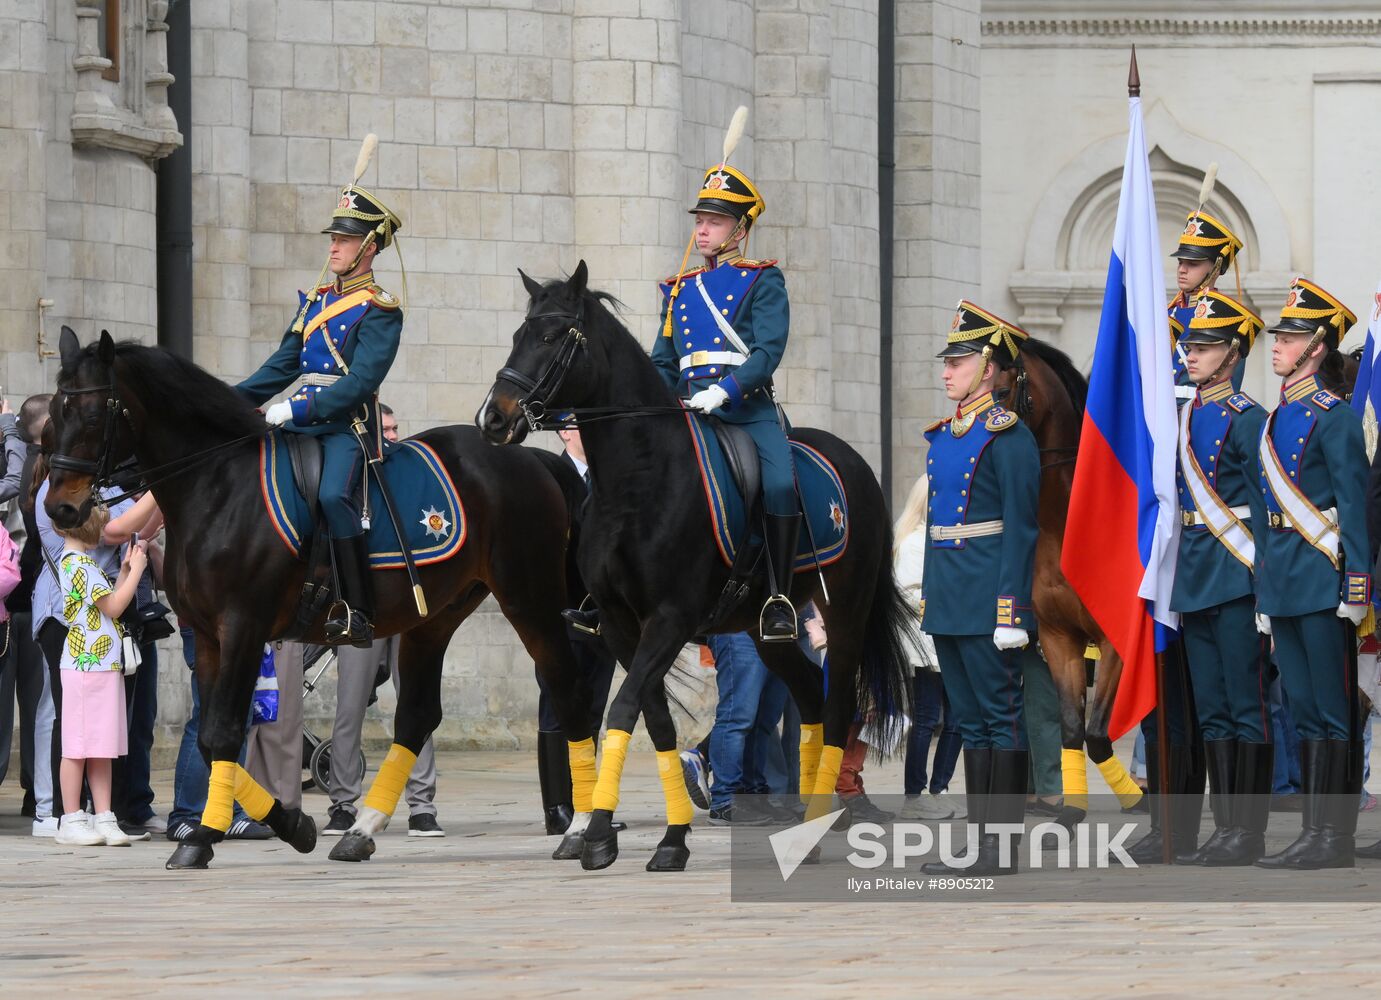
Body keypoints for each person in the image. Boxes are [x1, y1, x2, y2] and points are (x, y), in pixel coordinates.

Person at [236, 142, 404, 648]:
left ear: (369, 247)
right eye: (333, 237)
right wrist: (231, 400)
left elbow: (360, 383)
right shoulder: (316, 300)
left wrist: (297, 407)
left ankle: (358, 609)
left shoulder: (381, 309)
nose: (333, 246)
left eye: (345, 239)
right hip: (299, 421)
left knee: (332, 495)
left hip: (345, 426)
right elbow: (284, 363)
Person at [647, 147, 798, 642]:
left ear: (740, 229)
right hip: (688, 409)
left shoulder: (762, 278)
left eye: (715, 221)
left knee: (778, 485)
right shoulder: (679, 288)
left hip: (745, 409)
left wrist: (724, 391)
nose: (703, 230)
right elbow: (664, 361)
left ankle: (777, 595)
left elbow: (766, 352)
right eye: (701, 220)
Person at [919, 301, 1040, 877]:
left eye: (960, 361)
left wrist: (1012, 608)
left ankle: (1001, 847)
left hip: (991, 595)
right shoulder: (942, 438)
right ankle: (979, 843)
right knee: (966, 722)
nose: (947, 371)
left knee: (1000, 717)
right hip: (949, 596)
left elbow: (1021, 528)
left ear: (990, 368)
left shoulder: (1008, 436)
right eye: (947, 361)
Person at [1253, 278, 1368, 870]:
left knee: (1330, 709)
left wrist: (1358, 583)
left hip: (1324, 578)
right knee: (1300, 707)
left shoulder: (1334, 417)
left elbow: (1354, 505)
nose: (1278, 345)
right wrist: (1264, 589)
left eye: (1291, 336)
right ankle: (1313, 833)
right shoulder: (1276, 419)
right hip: (1285, 580)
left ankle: (1332, 837)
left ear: (1318, 347)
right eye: (1280, 335)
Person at [1168, 292, 1272, 866]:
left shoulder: (1247, 419)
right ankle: (1224, 827)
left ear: (1232, 354)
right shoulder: (1187, 415)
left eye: (1203, 347)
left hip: (1236, 573)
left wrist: (1266, 587)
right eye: (1189, 345)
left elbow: (1262, 504)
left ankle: (1247, 832)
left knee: (1245, 705)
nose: (1190, 354)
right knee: (1211, 707)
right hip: (1195, 574)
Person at [324, 405, 444, 838]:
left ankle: (422, 804)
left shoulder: (409, 479)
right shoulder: (349, 479)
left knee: (416, 700)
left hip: (409, 610)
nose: (392, 436)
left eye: (395, 429)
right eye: (385, 430)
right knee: (349, 705)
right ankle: (342, 802)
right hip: (365, 609)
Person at [535, 423, 616, 834]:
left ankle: (588, 802)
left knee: (593, 710)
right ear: (566, 432)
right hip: (562, 613)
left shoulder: (610, 477)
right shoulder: (548, 478)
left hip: (604, 615)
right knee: (557, 706)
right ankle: (558, 808)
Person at [51, 506, 146, 847]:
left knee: (100, 746)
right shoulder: (80, 565)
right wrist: (135, 571)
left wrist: (123, 572)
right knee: (78, 747)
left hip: (99, 664)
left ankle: (103, 816)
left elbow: (106, 605)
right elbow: (116, 607)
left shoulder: (81, 564)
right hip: (86, 666)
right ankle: (72, 817)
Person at [892, 474, 964, 821]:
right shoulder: (912, 542)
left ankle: (940, 788)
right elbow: (911, 594)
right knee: (925, 719)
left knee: (958, 720)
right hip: (927, 642)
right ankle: (914, 794)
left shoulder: (947, 539)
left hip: (953, 636)